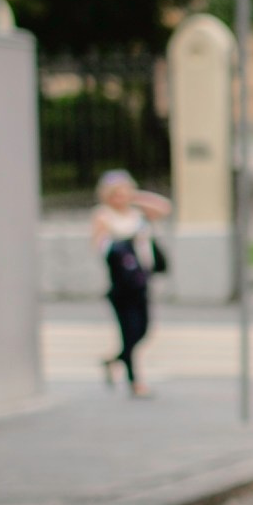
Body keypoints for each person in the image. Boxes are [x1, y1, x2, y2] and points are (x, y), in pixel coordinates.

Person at [88, 168, 170, 394]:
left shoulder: (137, 214)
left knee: (143, 329)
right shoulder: (103, 215)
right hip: (120, 284)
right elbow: (98, 247)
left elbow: (164, 208)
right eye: (116, 193)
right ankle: (135, 382)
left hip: (142, 280)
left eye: (124, 193)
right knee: (129, 330)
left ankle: (114, 360)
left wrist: (135, 196)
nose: (120, 198)